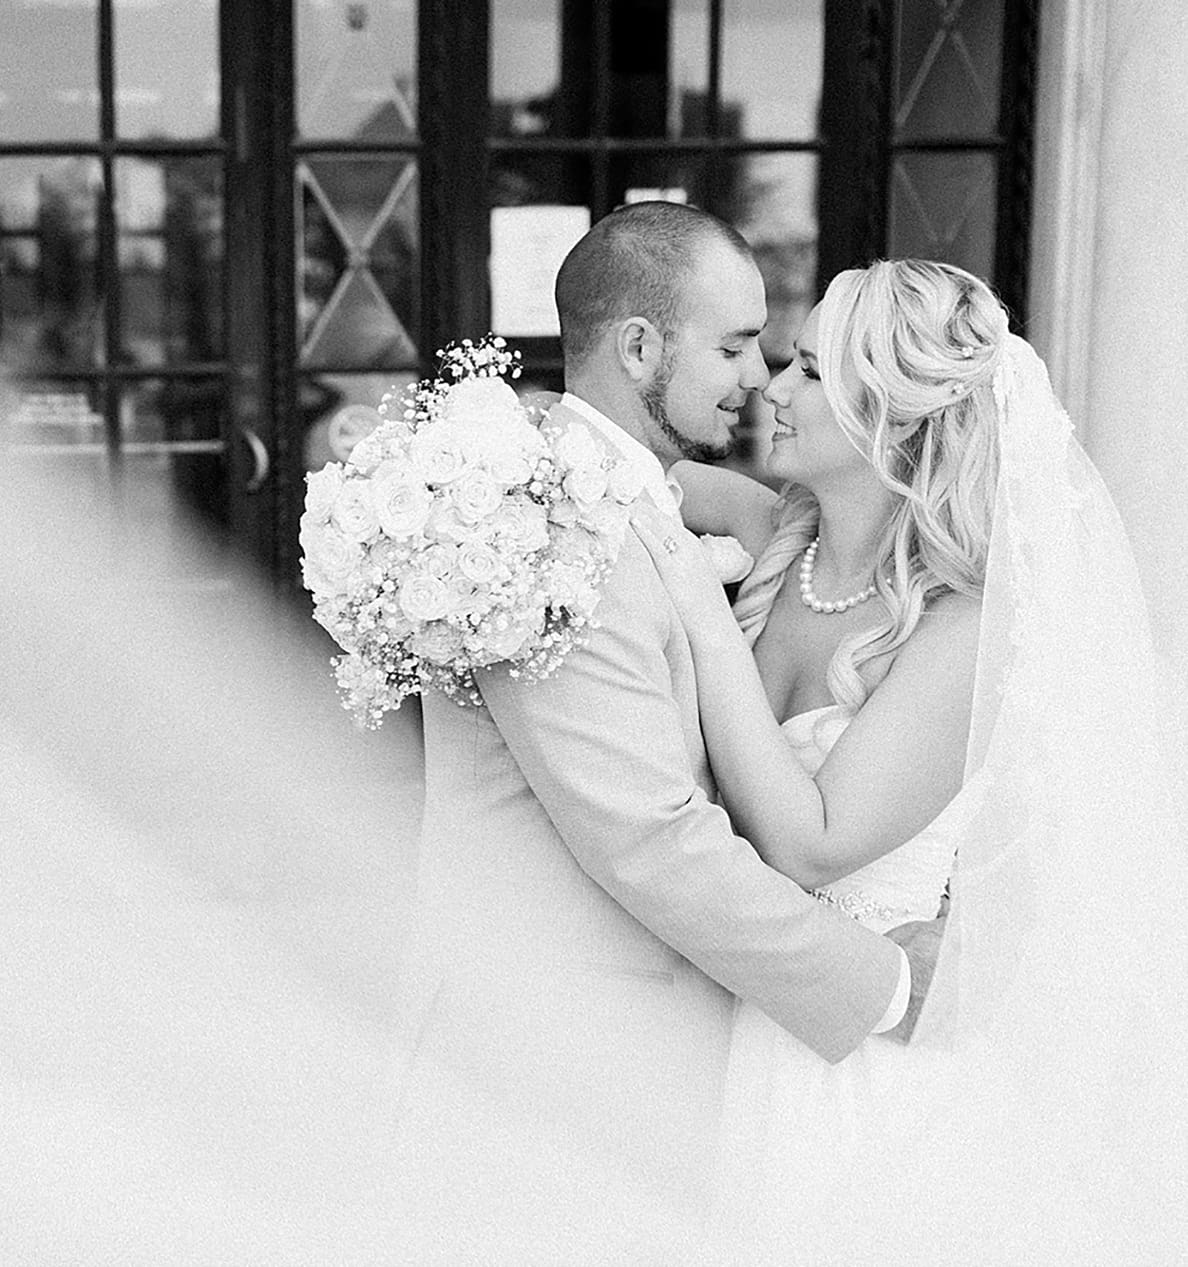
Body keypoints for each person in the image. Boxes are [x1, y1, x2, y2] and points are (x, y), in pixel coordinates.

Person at [392, 203, 938, 1249]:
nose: (756, 378)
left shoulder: (594, 485)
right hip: (552, 1069)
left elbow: (690, 506)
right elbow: (651, 838)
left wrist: (757, 510)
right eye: (733, 346)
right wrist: (881, 985)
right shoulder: (555, 527)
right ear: (639, 345)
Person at [634, 258, 1188, 1261]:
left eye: (809, 368)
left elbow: (812, 843)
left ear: (894, 415)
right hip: (733, 1019)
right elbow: (614, 466)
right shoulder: (778, 537)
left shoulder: (961, 628)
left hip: (863, 1065)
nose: (773, 385)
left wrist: (698, 620)